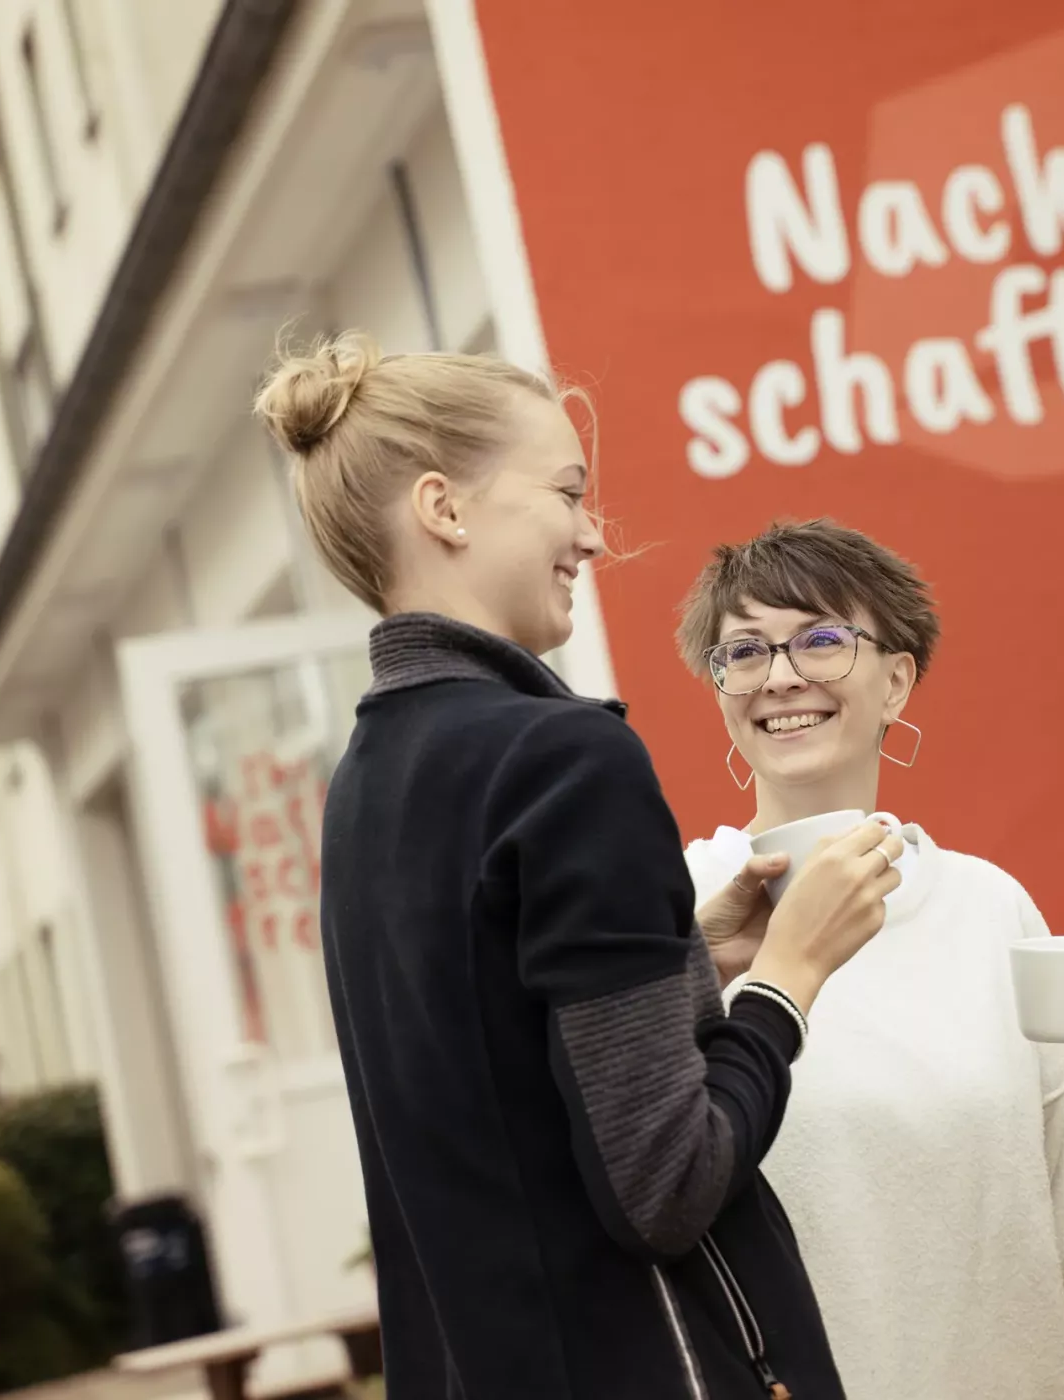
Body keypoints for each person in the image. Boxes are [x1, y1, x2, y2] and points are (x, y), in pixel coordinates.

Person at [256, 332, 905, 1398]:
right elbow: (668, 1182)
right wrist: (787, 979)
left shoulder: (366, 785)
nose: (593, 534)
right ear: (443, 508)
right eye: (565, 491)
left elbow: (497, 1065)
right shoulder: (565, 759)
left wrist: (687, 956)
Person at [674, 519, 1064, 1400]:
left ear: (897, 681)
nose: (780, 677)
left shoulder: (991, 907)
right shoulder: (675, 913)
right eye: (744, 651)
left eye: (821, 641)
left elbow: (1052, 1204)